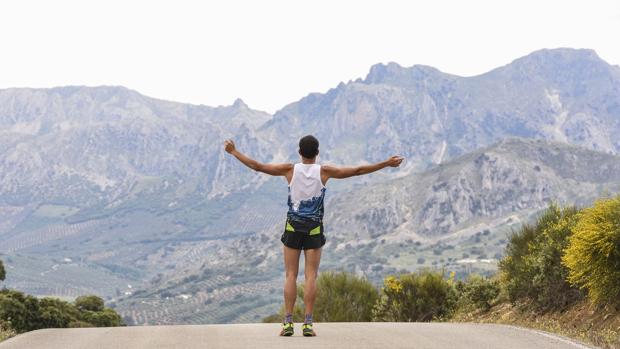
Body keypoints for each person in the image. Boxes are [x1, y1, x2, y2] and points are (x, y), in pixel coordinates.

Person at [224, 135, 404, 337]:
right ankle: (308, 324)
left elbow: (257, 166)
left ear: (299, 152)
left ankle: (288, 323)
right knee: (311, 276)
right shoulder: (324, 171)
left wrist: (234, 152)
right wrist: (386, 163)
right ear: (317, 153)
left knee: (290, 275)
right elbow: (357, 171)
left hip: (293, 227)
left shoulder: (289, 169)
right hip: (314, 229)